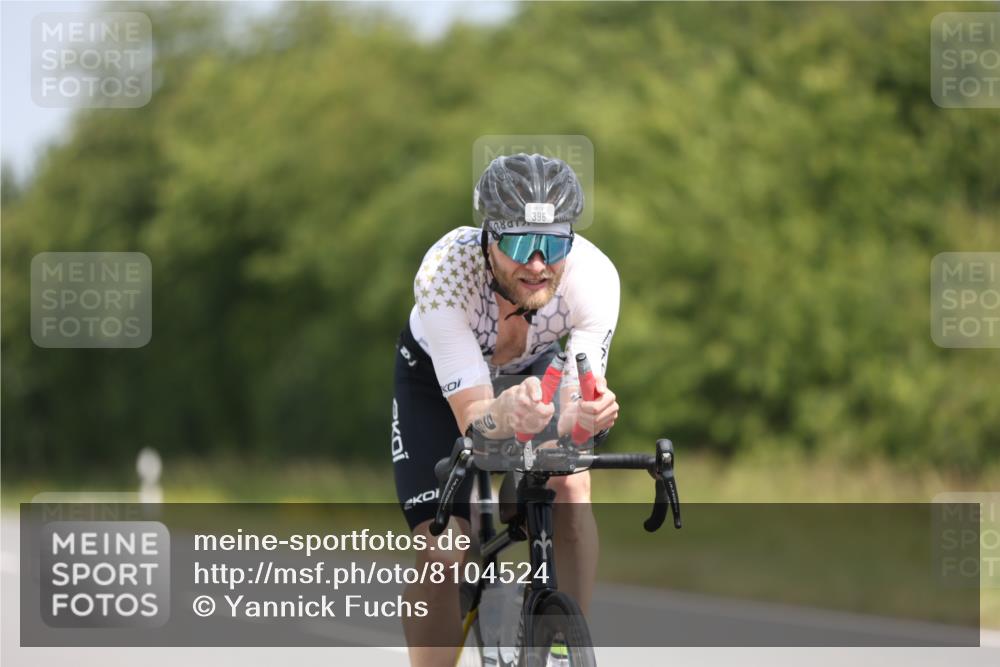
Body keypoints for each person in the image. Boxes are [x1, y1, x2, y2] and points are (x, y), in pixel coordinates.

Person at [391, 153, 620, 666]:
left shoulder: (594, 276)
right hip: (437, 386)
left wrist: (585, 416)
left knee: (572, 487)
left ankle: (562, 646)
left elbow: (576, 400)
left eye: (553, 245)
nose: (537, 264)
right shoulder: (445, 275)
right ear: (489, 238)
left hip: (534, 369)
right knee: (445, 549)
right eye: (518, 244)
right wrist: (506, 411)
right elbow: (474, 420)